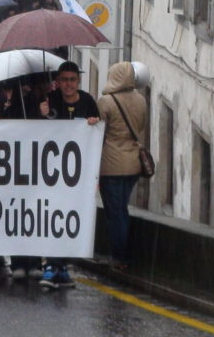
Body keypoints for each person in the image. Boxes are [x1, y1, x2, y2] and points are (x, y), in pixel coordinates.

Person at [34, 61, 99, 289]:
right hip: (52, 173)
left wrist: (93, 123)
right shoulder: (49, 101)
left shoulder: (89, 101)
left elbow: (96, 136)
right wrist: (41, 115)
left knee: (69, 220)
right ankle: (51, 264)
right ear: (58, 82)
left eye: (72, 80)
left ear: (78, 81)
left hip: (77, 177)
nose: (68, 84)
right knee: (53, 218)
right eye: (64, 80)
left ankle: (62, 266)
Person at [97, 62, 148, 271]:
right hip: (133, 163)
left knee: (115, 212)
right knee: (122, 208)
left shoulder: (106, 102)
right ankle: (121, 255)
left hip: (112, 164)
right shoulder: (141, 101)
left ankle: (119, 257)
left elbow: (99, 132)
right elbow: (142, 126)